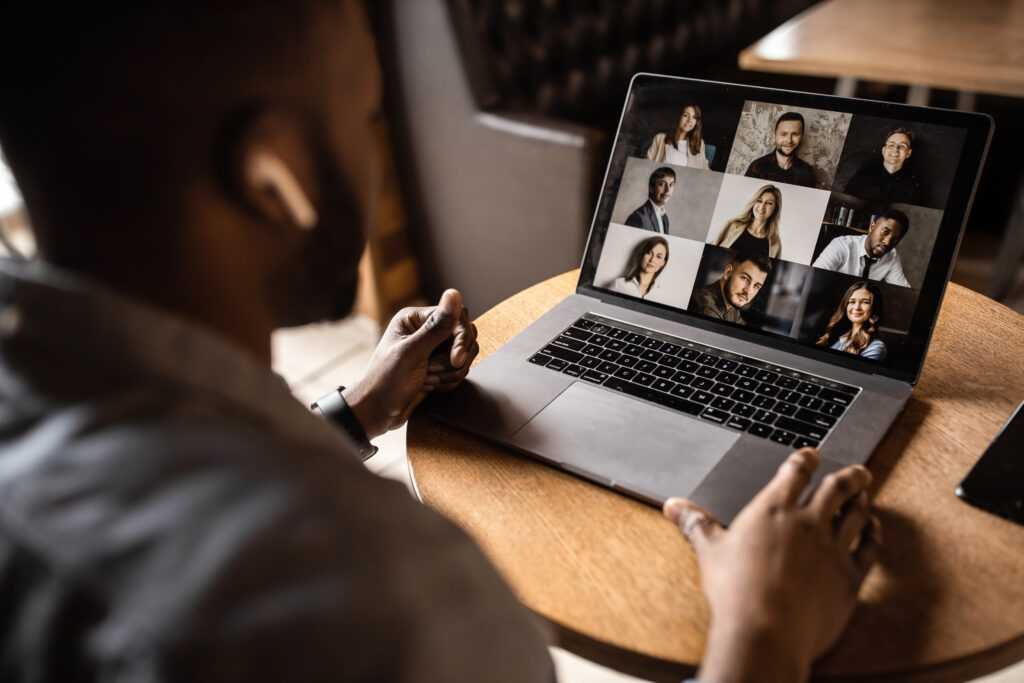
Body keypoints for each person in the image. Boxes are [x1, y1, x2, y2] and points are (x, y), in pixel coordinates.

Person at [0, 3, 881, 682]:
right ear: (276, 179)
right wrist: (762, 635)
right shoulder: (389, 602)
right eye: (368, 111)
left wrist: (350, 414)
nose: (373, 143)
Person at [812, 209, 912, 287]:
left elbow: (904, 288)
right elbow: (813, 278)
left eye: (895, 239)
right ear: (872, 227)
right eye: (885, 232)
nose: (887, 242)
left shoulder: (891, 255)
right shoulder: (841, 245)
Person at [689, 251, 772, 324]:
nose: (748, 291)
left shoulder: (732, 307)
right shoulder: (706, 306)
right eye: (745, 278)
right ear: (728, 272)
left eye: (756, 286)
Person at [844, 127, 921, 205]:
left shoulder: (912, 187)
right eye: (891, 145)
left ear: (908, 153)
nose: (895, 149)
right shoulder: (861, 177)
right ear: (883, 150)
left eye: (902, 146)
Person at [816, 281, 888, 360]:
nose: (857, 307)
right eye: (852, 302)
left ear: (875, 308)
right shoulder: (840, 336)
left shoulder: (876, 347)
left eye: (865, 302)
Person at [744, 112, 816, 188]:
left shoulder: (806, 170)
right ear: (774, 136)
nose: (789, 140)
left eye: (795, 134)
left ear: (801, 138)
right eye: (784, 134)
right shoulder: (757, 167)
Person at [712, 184, 783, 258]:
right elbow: (711, 252)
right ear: (754, 203)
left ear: (775, 209)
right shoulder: (732, 225)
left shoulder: (775, 243)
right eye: (759, 201)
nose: (762, 206)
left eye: (769, 203)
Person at [645, 104, 710, 169]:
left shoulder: (699, 143)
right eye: (686, 115)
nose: (689, 120)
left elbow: (705, 170)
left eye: (694, 117)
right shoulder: (660, 138)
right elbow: (647, 163)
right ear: (678, 116)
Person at [625, 166, 675, 233]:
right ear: (651, 188)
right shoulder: (639, 217)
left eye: (671, 184)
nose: (668, 190)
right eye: (662, 184)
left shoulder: (664, 217)